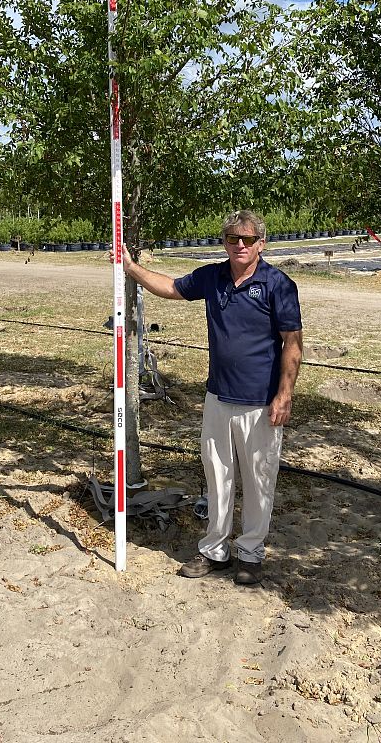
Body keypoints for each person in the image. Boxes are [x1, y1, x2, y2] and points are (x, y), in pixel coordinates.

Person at [120, 210, 302, 586]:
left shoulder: (278, 285)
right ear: (224, 241)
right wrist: (129, 267)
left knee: (258, 479)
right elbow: (171, 287)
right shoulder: (212, 277)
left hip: (260, 403)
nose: (240, 245)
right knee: (217, 477)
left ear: (261, 244)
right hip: (218, 398)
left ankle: (250, 554)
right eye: (234, 238)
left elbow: (293, 343)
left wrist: (284, 395)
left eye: (249, 239)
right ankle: (214, 551)